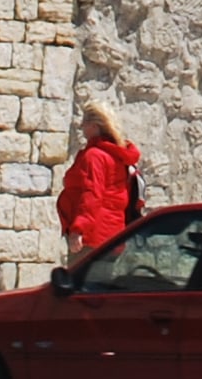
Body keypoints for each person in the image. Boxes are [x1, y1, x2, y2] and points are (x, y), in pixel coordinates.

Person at [56, 101, 143, 264]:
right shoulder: (116, 156)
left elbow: (92, 195)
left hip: (91, 239)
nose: (81, 126)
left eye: (85, 122)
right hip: (112, 237)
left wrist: (78, 229)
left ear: (94, 126)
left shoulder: (94, 156)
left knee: (78, 279)